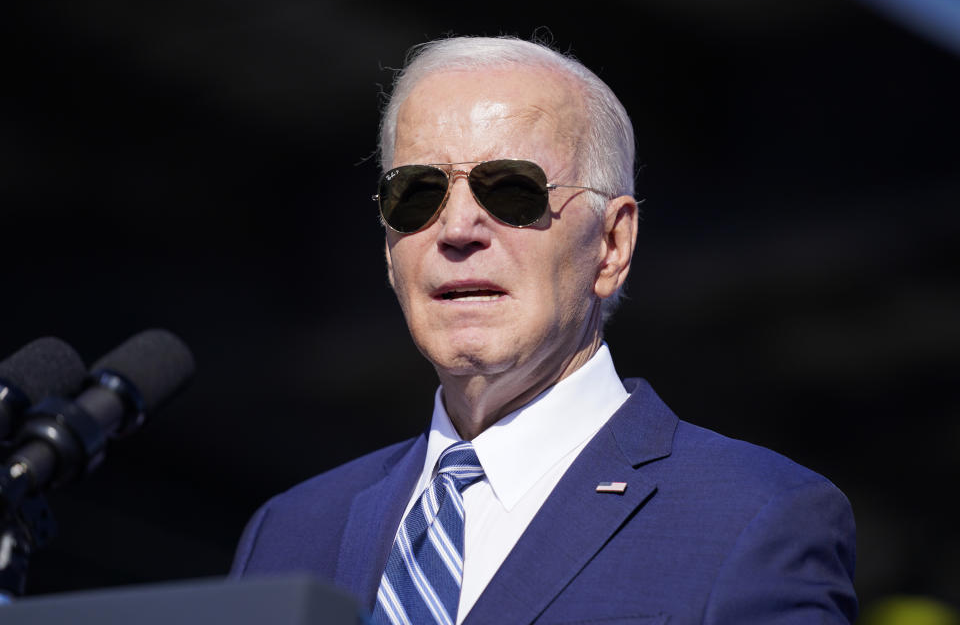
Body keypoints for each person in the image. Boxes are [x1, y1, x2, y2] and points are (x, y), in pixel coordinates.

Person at [231, 36, 857, 624]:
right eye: (417, 193)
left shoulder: (753, 516)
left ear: (612, 245)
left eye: (511, 190)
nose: (456, 231)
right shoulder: (289, 532)